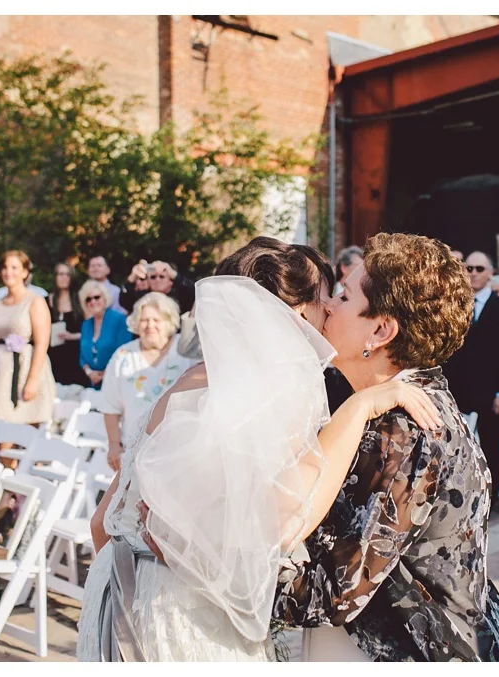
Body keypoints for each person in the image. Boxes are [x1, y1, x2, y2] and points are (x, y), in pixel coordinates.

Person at [74, 237, 450, 661]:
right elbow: (288, 517)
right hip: (187, 617)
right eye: (327, 298)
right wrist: (361, 407)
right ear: (291, 314)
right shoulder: (277, 389)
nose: (330, 311)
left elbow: (101, 523)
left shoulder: (192, 379)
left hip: (117, 594)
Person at [275, 233, 499, 661]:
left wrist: (221, 564)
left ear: (382, 330)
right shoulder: (402, 407)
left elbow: (336, 590)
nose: (328, 306)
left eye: (344, 297)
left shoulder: (401, 431)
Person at [444, 251, 499, 492]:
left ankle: (492, 495)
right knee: (457, 444)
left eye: (479, 269)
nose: (473, 273)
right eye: (469, 268)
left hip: (490, 389)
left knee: (490, 442)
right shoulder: (455, 303)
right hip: (458, 387)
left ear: (490, 273)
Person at [100, 292, 197, 472]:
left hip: (179, 451)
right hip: (134, 451)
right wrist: (114, 444)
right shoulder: (123, 355)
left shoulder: (185, 351)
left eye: (156, 320)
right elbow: (110, 406)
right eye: (144, 320)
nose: (149, 325)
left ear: (169, 322)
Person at [0, 251, 56, 428]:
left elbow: (41, 344)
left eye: (15, 267)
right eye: (5, 267)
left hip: (25, 369)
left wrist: (32, 380)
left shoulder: (35, 301)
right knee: (1, 429)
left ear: (25, 272)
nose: (9, 272)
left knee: (28, 432)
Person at [78, 281, 132, 390]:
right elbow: (82, 357)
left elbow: (125, 351)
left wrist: (106, 373)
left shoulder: (120, 320)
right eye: (88, 299)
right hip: (93, 384)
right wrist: (90, 373)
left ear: (105, 298)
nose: (93, 301)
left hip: (117, 382)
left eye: (97, 297)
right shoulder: (86, 325)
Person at [47, 263, 87, 386]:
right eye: (60, 274)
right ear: (55, 277)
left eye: (67, 274)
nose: (64, 277)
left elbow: (92, 330)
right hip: (52, 356)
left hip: (75, 356)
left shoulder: (81, 300)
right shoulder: (46, 300)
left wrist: (73, 336)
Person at [119, 259, 196, 315]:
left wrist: (175, 276)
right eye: (153, 277)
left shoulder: (182, 295)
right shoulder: (143, 298)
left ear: (171, 280)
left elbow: (196, 293)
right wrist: (131, 278)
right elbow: (124, 301)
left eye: (162, 276)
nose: (157, 280)